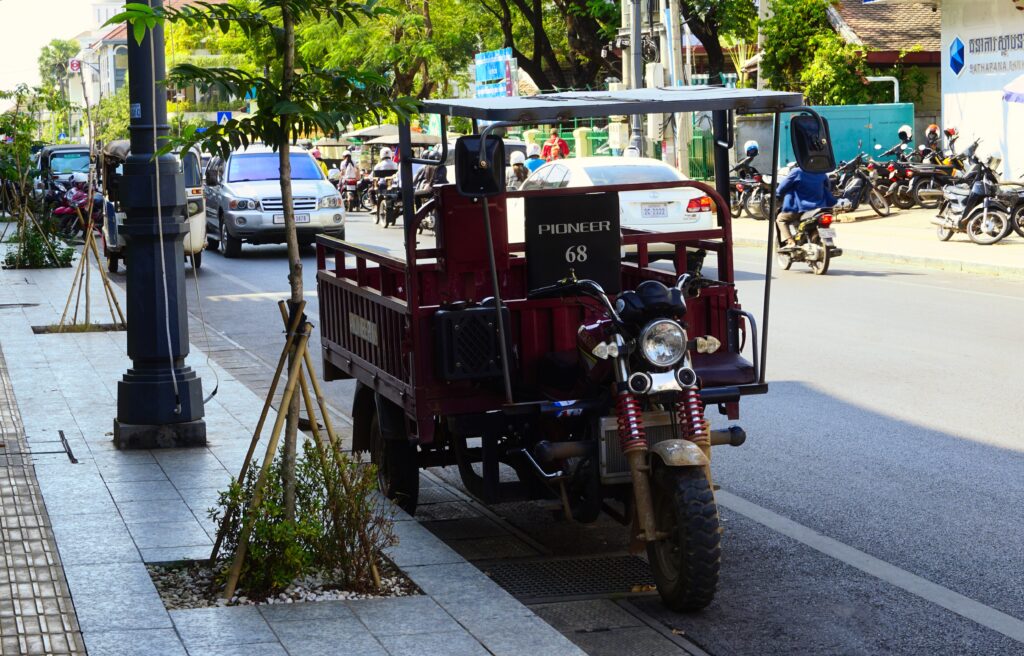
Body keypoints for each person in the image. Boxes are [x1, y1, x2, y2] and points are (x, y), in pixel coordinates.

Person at [775, 165, 837, 249]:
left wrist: (777, 194)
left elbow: (781, 188)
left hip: (801, 208)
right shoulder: (822, 173)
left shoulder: (797, 172)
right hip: (821, 208)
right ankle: (823, 239)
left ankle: (790, 241)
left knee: (780, 219)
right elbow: (828, 187)